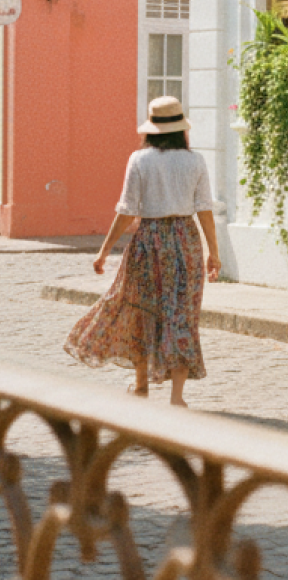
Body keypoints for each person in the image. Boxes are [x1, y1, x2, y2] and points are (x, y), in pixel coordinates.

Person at [65, 97, 222, 407]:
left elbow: (126, 211)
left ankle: (140, 386)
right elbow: (204, 210)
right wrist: (213, 253)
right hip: (185, 241)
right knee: (182, 315)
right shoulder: (196, 162)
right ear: (181, 129)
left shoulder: (139, 160)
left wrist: (103, 251)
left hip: (148, 240)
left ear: (152, 129)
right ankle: (177, 397)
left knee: (140, 311)